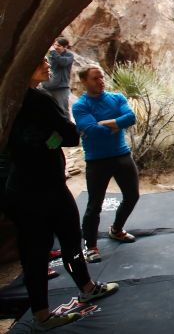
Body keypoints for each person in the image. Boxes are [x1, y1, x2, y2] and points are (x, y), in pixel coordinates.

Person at [3, 55, 118, 330]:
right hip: (34, 190)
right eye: (39, 59)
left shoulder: (21, 97)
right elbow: (68, 134)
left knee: (64, 238)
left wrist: (49, 141)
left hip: (40, 185)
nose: (46, 63)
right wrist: (51, 140)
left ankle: (87, 287)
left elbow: (61, 137)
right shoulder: (33, 101)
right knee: (37, 251)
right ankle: (42, 316)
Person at [71, 65, 139, 263]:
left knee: (132, 195)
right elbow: (92, 130)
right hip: (97, 160)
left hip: (121, 155)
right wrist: (117, 123)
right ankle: (90, 246)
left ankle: (116, 230)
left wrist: (104, 123)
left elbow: (131, 117)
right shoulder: (80, 106)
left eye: (102, 77)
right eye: (95, 78)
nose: (101, 81)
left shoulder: (117, 97)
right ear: (84, 82)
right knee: (95, 205)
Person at [40, 37, 74, 116]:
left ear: (65, 47)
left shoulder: (69, 55)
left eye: (58, 46)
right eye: (55, 45)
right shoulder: (52, 55)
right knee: (45, 109)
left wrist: (53, 52)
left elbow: (62, 62)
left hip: (61, 89)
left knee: (63, 111)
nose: (55, 47)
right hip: (47, 87)